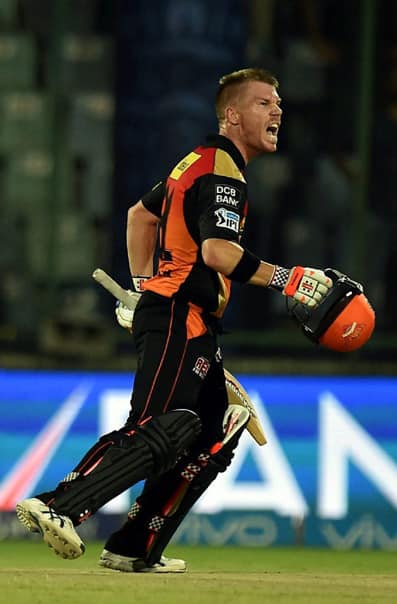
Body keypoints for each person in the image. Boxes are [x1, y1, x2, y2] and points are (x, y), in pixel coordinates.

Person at [16, 68, 332, 571]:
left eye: (278, 104)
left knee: (218, 430)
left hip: (188, 316)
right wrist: (290, 280)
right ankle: (59, 505)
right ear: (232, 115)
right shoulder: (221, 171)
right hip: (179, 316)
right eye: (263, 103)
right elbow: (219, 253)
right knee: (163, 425)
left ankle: (134, 546)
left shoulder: (197, 163)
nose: (277, 111)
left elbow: (140, 216)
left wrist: (142, 287)